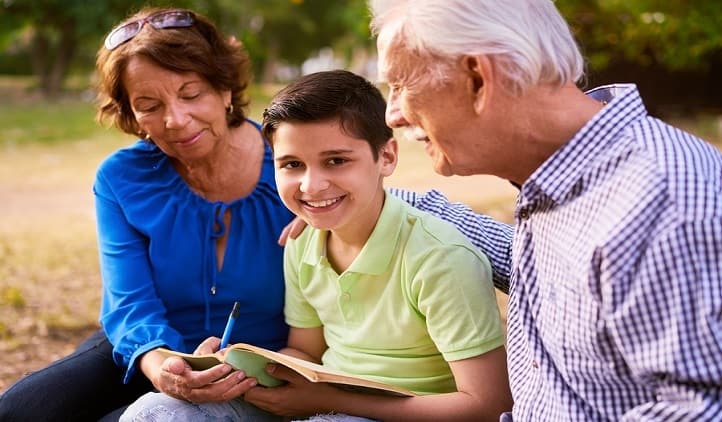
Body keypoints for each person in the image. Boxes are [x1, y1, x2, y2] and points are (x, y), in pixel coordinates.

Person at [367, 0, 722, 420]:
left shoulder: (666, 206)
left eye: (401, 84)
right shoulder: (574, 179)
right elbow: (558, 279)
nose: (392, 115)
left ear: (478, 78)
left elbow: (701, 410)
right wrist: (372, 204)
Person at [120, 69, 513, 421]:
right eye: (292, 165)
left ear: (386, 156)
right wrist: (237, 366)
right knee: (154, 413)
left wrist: (329, 403)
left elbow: (487, 403)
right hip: (323, 404)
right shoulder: (302, 243)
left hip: (403, 412)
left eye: (336, 161)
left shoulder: (439, 259)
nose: (312, 186)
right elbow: (305, 353)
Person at [0, 7, 294, 421]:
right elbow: (129, 303)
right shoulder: (122, 179)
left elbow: (377, 204)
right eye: (149, 105)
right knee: (20, 411)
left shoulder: (296, 167)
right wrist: (161, 366)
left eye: (191, 94)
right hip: (146, 350)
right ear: (131, 114)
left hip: (255, 370)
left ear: (225, 88)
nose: (175, 120)